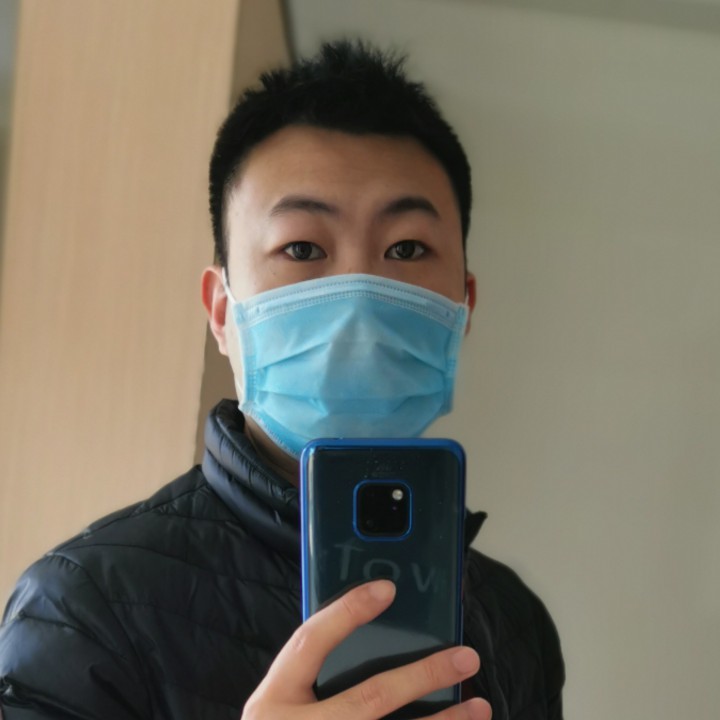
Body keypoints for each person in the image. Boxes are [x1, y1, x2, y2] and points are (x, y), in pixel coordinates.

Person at [0, 40, 564, 720]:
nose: (358, 300)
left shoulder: (515, 621)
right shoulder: (82, 609)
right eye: (302, 247)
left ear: (462, 308)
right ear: (222, 311)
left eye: (407, 248)